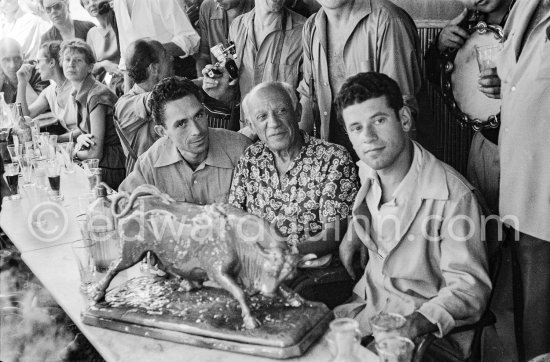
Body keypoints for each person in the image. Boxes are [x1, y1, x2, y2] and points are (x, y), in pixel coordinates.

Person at [334, 72, 491, 360]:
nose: (368, 138)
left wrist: (413, 325)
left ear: (404, 120)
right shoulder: (367, 170)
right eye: (356, 128)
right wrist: (353, 230)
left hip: (425, 338)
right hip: (367, 315)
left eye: (378, 121)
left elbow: (469, 291)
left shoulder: (454, 196)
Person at [478, 0, 550, 359]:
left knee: (539, 304)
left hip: (545, 185)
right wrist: (504, 86)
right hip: (521, 182)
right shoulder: (523, 7)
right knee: (526, 300)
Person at [229, 81, 358, 255]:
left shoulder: (333, 158)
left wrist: (287, 255)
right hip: (257, 266)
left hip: (310, 270)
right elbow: (235, 221)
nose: (274, 123)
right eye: (262, 117)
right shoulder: (251, 158)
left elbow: (333, 233)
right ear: (251, 126)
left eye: (281, 111)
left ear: (297, 113)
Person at [297, 0, 422, 159]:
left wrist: (385, 179)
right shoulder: (311, 27)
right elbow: (308, 97)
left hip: (383, 159)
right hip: (336, 164)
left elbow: (402, 109)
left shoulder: (388, 21)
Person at [425, 0, 516, 214]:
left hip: (529, 146)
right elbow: (434, 77)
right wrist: (440, 46)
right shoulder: (467, 22)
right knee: (486, 223)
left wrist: (512, 84)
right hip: (486, 144)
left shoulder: (533, 17)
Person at [119, 76, 252, 203]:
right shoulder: (150, 164)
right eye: (181, 124)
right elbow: (123, 207)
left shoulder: (241, 151)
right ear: (162, 132)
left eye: (198, 115)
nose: (197, 131)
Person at [201, 0, 306, 125]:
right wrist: (221, 89)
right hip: (246, 128)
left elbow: (309, 100)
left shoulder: (304, 31)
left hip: (283, 133)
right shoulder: (237, 26)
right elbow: (236, 94)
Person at [61, 39, 125, 189]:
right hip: (99, 163)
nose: (71, 64)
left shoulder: (96, 95)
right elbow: (89, 132)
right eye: (67, 59)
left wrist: (73, 152)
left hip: (110, 167)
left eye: (78, 60)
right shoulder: (79, 91)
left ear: (90, 67)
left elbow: (95, 153)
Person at [114, 39, 173, 175]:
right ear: (154, 69)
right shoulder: (124, 105)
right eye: (165, 56)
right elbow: (159, 97)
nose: (171, 59)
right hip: (145, 186)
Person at [112, 0, 201, 84]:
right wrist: (127, 96)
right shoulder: (118, 2)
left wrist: (151, 52)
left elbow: (190, 39)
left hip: (174, 72)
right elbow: (125, 55)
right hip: (142, 83)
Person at [15, 41, 73, 136]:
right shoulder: (50, 92)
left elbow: (87, 129)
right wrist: (22, 83)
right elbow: (23, 117)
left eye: (38, 61)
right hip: (69, 144)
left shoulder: (76, 87)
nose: (36, 67)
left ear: (51, 62)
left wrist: (55, 139)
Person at [196, 0, 253, 72]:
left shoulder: (260, 12)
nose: (216, 0)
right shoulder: (208, 7)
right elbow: (204, 56)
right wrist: (205, 79)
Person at [81, 0, 122, 92]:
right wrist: (103, 64)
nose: (91, 4)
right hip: (108, 84)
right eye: (87, 3)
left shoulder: (119, 22)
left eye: (94, 0)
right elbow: (90, 67)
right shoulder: (92, 33)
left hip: (126, 76)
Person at [0, 38, 49, 104]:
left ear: (23, 57)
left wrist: (23, 81)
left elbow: (39, 109)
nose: (12, 65)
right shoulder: (2, 77)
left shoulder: (38, 71)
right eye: (6, 60)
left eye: (17, 58)